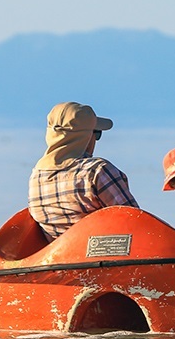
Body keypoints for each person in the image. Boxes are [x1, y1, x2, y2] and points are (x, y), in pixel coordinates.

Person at [28, 102, 138, 242]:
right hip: (101, 255)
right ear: (85, 137)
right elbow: (135, 221)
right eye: (96, 133)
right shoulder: (97, 171)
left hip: (59, 257)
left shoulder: (36, 177)